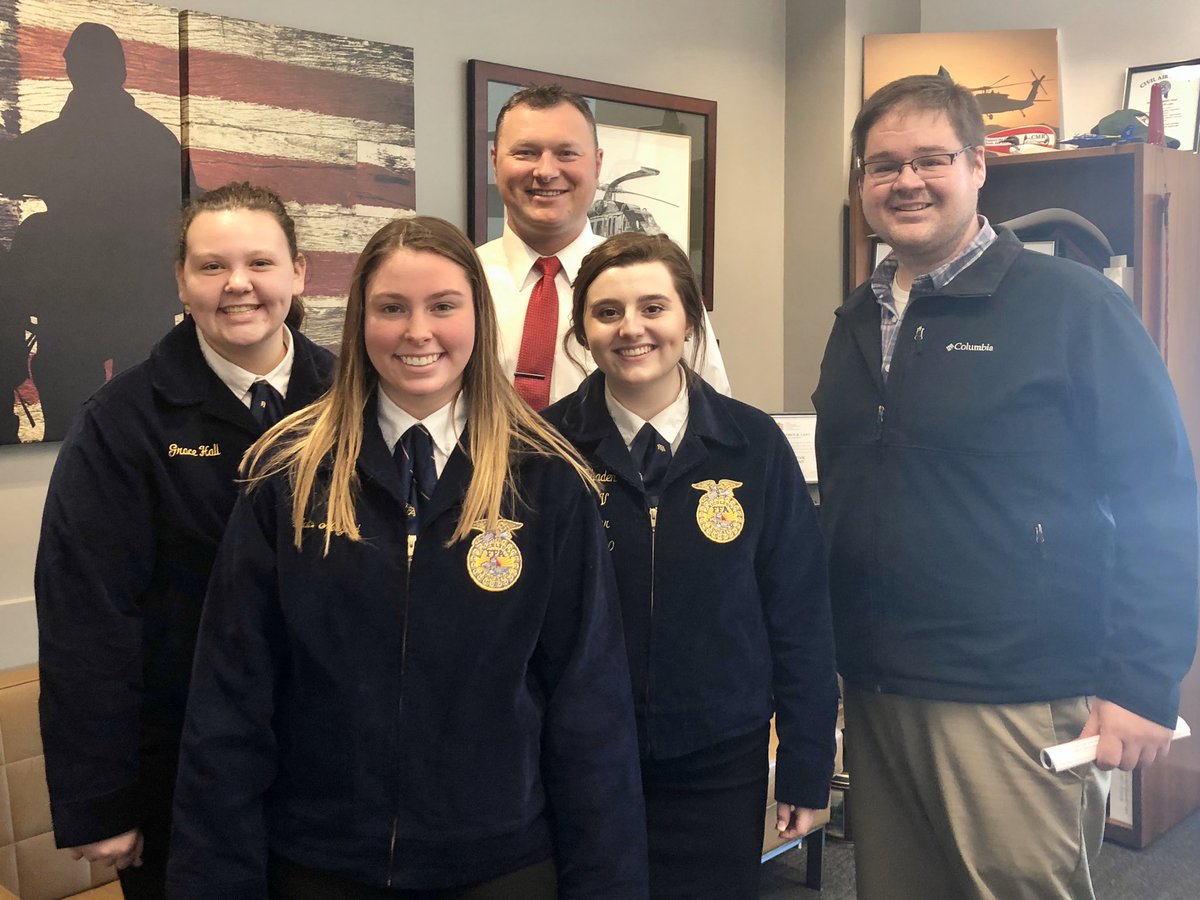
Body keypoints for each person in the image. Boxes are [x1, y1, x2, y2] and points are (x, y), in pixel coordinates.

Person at [166, 216, 647, 899]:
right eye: (392, 308)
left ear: (478, 317)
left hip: (499, 861)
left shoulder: (546, 479)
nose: (418, 332)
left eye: (443, 306)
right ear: (360, 322)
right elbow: (230, 699)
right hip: (323, 859)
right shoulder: (288, 475)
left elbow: (590, 708)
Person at [812, 73, 1199, 899]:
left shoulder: (1073, 305)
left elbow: (1161, 497)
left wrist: (1142, 678)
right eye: (883, 166)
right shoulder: (857, 319)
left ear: (978, 166)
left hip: (1014, 692)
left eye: (931, 159)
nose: (907, 182)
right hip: (878, 685)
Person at [34, 182, 336, 899]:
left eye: (260, 263)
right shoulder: (121, 422)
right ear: (181, 279)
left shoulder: (354, 396)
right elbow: (87, 619)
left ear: (299, 273)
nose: (238, 284)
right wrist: (101, 801)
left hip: (333, 763)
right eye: (211, 266)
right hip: (180, 770)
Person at [544, 232, 837, 899]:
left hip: (720, 758)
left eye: (654, 307)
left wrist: (806, 762)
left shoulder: (752, 444)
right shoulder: (545, 450)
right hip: (582, 759)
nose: (632, 328)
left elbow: (799, 614)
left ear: (689, 320)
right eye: (608, 312)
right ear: (582, 331)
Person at [478, 84, 730, 409]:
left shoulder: (660, 285)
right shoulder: (460, 284)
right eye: (525, 152)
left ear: (597, 164)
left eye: (567, 153)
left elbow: (714, 415)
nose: (546, 171)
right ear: (495, 162)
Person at [0, 22, 189, 440]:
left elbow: (9, 168)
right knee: (143, 422)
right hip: (140, 298)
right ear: (120, 69)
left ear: (72, 66)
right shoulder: (159, 139)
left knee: (73, 418)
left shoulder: (59, 140)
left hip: (76, 299)